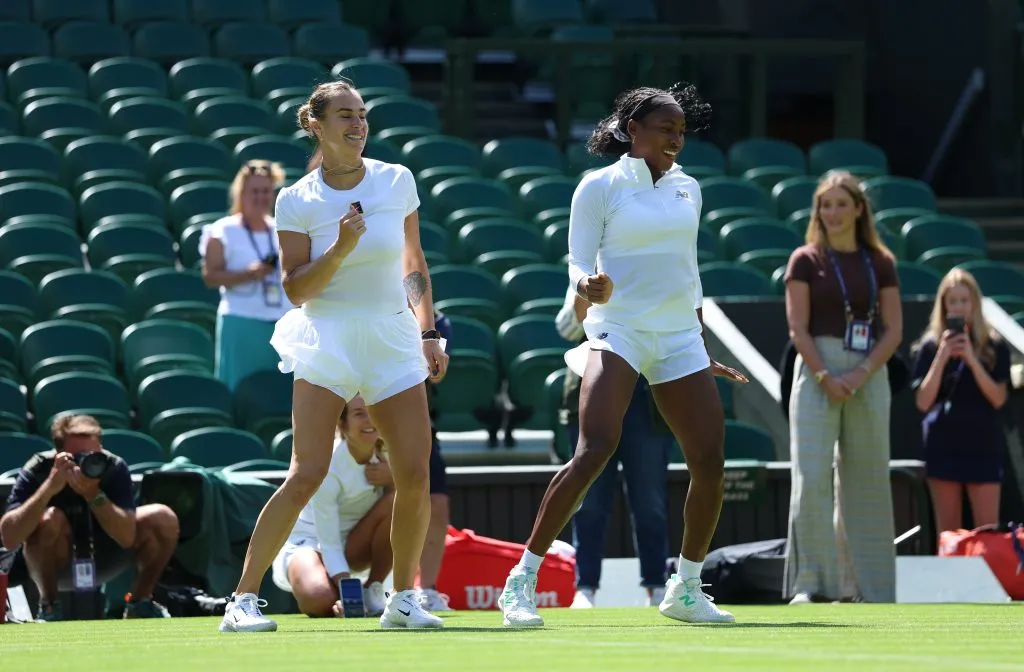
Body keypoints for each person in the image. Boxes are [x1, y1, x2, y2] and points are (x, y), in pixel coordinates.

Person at [498, 83, 748, 629]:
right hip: (619, 332)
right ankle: (522, 579)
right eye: (666, 129)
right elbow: (577, 264)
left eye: (682, 131)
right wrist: (589, 287)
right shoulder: (599, 186)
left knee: (709, 459)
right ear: (633, 130)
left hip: (679, 336)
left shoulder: (689, 189)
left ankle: (685, 586)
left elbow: (690, 274)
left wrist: (700, 345)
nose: (677, 140)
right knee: (595, 449)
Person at [219, 79, 448, 633]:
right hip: (328, 336)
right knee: (307, 472)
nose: (358, 124)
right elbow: (296, 290)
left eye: (363, 114)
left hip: (394, 337)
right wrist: (342, 249)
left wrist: (428, 331)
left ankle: (402, 599)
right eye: (345, 115)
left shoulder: (398, 180)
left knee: (414, 473)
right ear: (316, 124)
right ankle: (242, 601)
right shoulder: (296, 199)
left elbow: (412, 260)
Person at [783, 170, 903, 604]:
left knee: (868, 482)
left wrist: (859, 374)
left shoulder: (881, 261)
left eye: (839, 204)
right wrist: (824, 376)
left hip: (868, 373)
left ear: (858, 209)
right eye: (824, 205)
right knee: (811, 478)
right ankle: (811, 584)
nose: (831, 213)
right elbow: (797, 327)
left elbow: (894, 331)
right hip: (816, 371)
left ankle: (869, 589)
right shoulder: (805, 259)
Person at [555, 285, 673, 609]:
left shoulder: (650, 271)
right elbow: (567, 328)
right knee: (589, 501)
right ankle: (586, 587)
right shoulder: (586, 273)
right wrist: (586, 288)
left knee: (650, 502)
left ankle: (657, 585)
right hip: (593, 392)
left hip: (646, 399)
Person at [0, 414, 180, 621]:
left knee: (162, 517)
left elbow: (127, 537)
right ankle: (49, 607)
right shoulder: (39, 468)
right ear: (59, 453)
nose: (87, 463)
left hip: (106, 555)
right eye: (78, 457)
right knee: (50, 519)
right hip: (54, 563)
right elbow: (9, 537)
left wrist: (93, 494)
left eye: (94, 455)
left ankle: (140, 603)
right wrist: (49, 487)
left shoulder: (113, 467)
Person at [271, 395, 394, 617]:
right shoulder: (328, 463)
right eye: (359, 414)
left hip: (354, 546)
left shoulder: (390, 454)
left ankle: (373, 589)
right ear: (342, 423)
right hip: (309, 543)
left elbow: (415, 505)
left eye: (373, 411)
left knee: (401, 500)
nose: (370, 420)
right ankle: (341, 597)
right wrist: (346, 593)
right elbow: (328, 542)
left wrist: (394, 480)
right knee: (319, 598)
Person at [912, 268, 1009, 535]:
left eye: (964, 300)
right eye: (952, 301)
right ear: (943, 305)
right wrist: (942, 357)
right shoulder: (930, 347)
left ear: (974, 303)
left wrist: (972, 359)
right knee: (949, 535)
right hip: (943, 444)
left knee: (987, 534)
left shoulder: (993, 345)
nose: (959, 307)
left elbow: (998, 398)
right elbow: (922, 402)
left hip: (982, 444)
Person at [200, 160, 293, 391]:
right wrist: (247, 274)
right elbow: (210, 277)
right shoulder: (223, 230)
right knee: (242, 391)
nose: (260, 197)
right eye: (255, 191)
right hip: (242, 323)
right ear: (241, 193)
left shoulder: (282, 228)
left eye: (266, 191)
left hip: (282, 323)